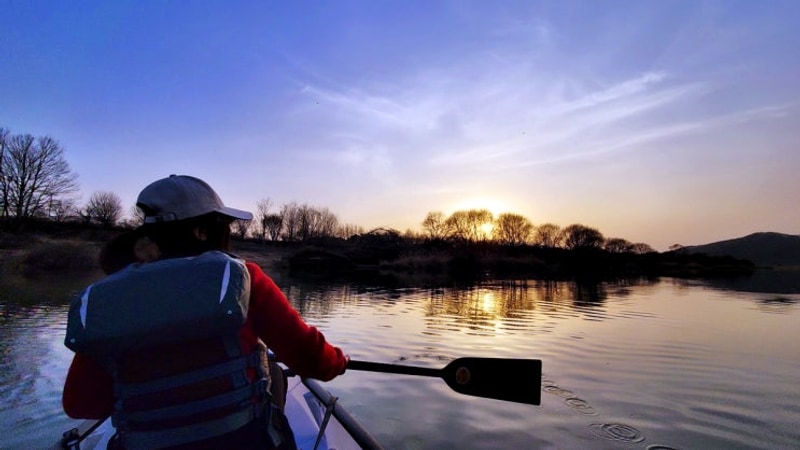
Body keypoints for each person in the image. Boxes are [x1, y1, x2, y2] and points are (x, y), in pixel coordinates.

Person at [63, 174, 349, 449]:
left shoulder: (111, 299)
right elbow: (313, 360)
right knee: (273, 373)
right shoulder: (243, 279)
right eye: (223, 225)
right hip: (243, 442)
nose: (229, 233)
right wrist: (338, 361)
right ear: (201, 231)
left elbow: (80, 405)